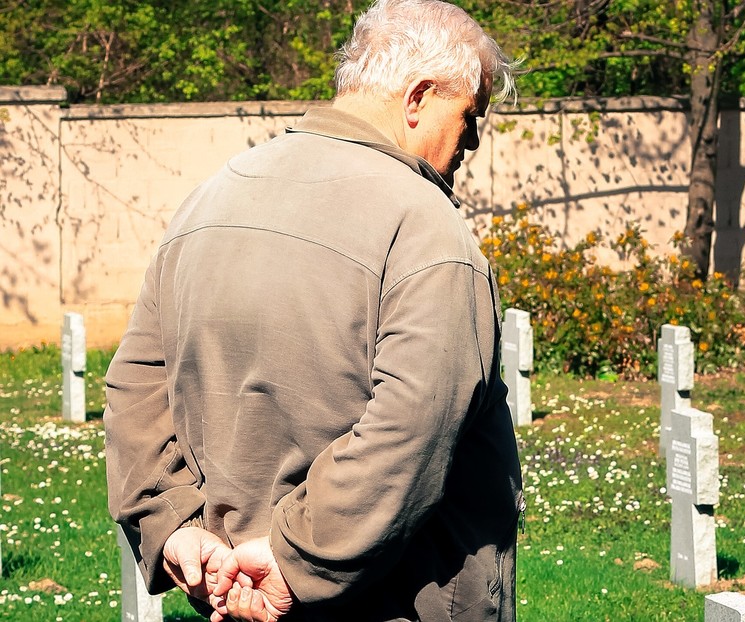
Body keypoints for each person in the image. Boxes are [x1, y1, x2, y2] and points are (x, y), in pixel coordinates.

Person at [104, 1, 524, 620]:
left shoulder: (211, 196)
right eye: (470, 116)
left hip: (230, 587)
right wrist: (294, 560)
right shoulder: (427, 228)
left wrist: (173, 525)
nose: (474, 141)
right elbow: (409, 429)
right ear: (419, 98)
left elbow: (136, 384)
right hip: (399, 596)